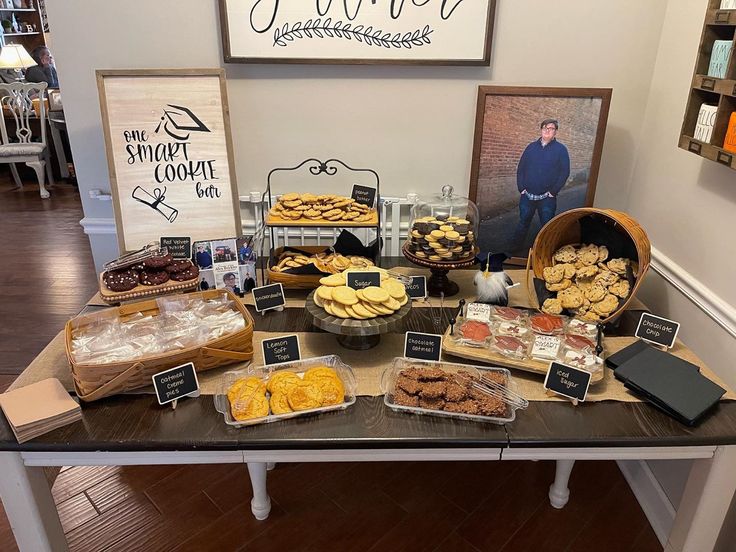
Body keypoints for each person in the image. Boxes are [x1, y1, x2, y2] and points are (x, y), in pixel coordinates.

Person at [511, 118, 570, 254]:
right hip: (527, 195)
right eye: (545, 128)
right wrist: (521, 187)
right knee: (523, 222)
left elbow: (565, 172)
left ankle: (546, 252)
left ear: (555, 132)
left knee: (547, 226)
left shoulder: (561, 150)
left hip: (547, 197)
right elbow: (521, 168)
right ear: (541, 130)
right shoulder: (531, 147)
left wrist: (553, 191)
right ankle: (513, 252)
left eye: (551, 129)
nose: (548, 131)